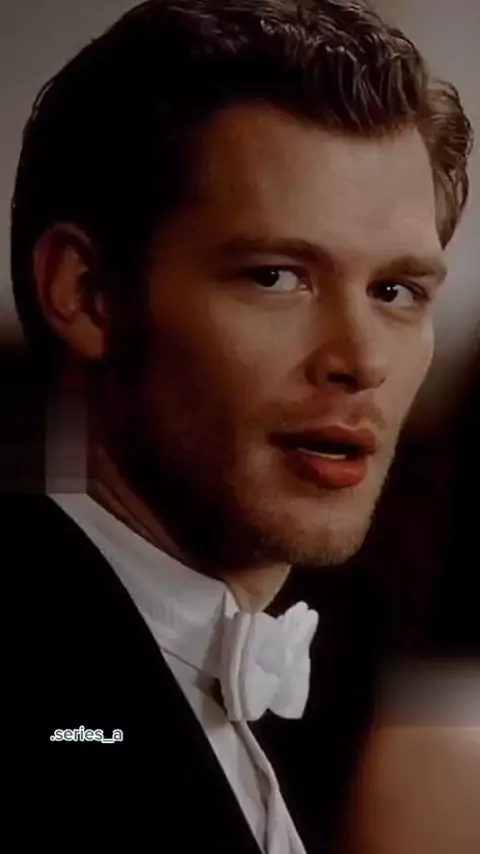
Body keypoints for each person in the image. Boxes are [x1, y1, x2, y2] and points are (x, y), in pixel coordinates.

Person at [9, 0, 472, 851]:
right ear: (86, 293)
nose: (360, 359)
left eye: (396, 291)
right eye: (274, 277)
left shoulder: (309, 707)